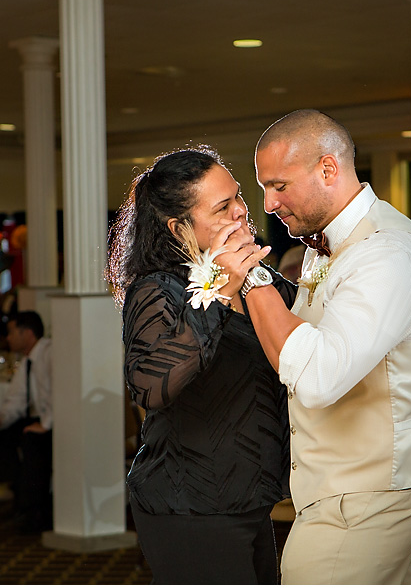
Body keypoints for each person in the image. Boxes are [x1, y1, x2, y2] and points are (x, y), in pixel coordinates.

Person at [221, 110, 411, 584]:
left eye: (279, 186)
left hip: (363, 499)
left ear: (328, 169)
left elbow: (318, 376)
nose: (267, 204)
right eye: (263, 187)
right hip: (342, 491)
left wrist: (253, 278)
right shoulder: (324, 244)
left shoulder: (386, 253)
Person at [105, 146, 294, 584]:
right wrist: (222, 292)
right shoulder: (158, 290)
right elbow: (150, 386)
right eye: (223, 207)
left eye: (239, 197)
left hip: (250, 496)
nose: (242, 213)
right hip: (188, 502)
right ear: (179, 227)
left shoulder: (258, 280)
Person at [0, 311, 53, 533]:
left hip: (62, 420)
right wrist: (1, 418)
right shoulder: (28, 360)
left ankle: (36, 511)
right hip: (46, 417)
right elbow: (18, 397)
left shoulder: (50, 353)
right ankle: (18, 491)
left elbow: (64, 390)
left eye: (12, 332)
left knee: (32, 439)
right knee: (0, 432)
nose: (8, 338)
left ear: (27, 333)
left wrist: (46, 424)